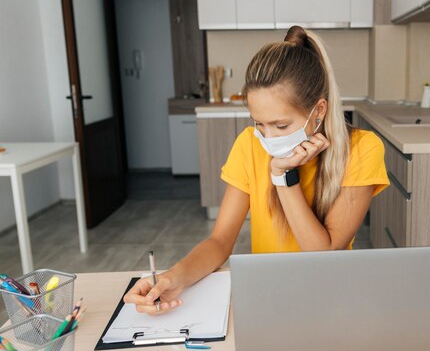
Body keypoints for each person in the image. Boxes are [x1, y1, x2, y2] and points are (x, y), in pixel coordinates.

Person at [124, 26, 389, 315]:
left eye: (281, 125)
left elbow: (323, 254)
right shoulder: (249, 145)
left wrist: (283, 177)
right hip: (268, 294)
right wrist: (172, 278)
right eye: (259, 123)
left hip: (329, 297)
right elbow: (220, 241)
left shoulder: (361, 149)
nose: (269, 138)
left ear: (319, 110)